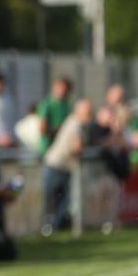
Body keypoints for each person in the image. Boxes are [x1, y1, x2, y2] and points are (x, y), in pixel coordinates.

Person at [42, 99, 93, 234]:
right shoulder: (75, 123)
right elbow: (76, 148)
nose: (90, 115)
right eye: (88, 112)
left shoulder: (75, 123)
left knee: (63, 202)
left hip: (62, 166)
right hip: (56, 166)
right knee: (54, 201)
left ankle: (54, 229)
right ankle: (50, 229)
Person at [37, 77, 73, 156]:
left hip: (63, 149)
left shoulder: (67, 105)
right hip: (49, 148)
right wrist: (59, 130)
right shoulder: (47, 104)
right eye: (60, 88)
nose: (62, 91)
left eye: (65, 89)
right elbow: (42, 129)